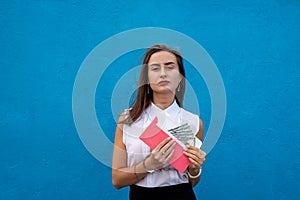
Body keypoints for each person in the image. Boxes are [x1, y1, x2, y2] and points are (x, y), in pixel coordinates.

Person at [112, 44, 206, 200]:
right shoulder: (128, 120)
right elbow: (117, 180)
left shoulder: (194, 122)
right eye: (155, 68)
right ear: (147, 78)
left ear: (180, 76)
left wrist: (195, 170)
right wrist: (149, 164)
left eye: (170, 67)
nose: (163, 73)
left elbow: (191, 181)